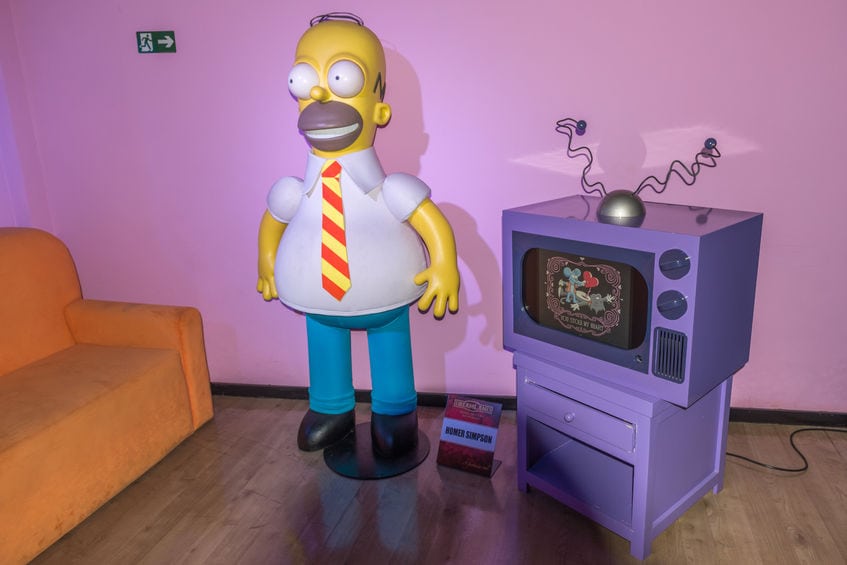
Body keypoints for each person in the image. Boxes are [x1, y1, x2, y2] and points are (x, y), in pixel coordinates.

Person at [257, 13, 459, 457]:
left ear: (379, 109)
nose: (318, 94)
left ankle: (395, 411)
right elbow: (272, 221)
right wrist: (267, 265)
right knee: (323, 342)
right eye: (303, 81)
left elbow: (431, 222)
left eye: (342, 79)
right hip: (318, 301)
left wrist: (445, 266)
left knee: (391, 345)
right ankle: (330, 408)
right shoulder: (293, 191)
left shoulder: (394, 190)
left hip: (387, 298)